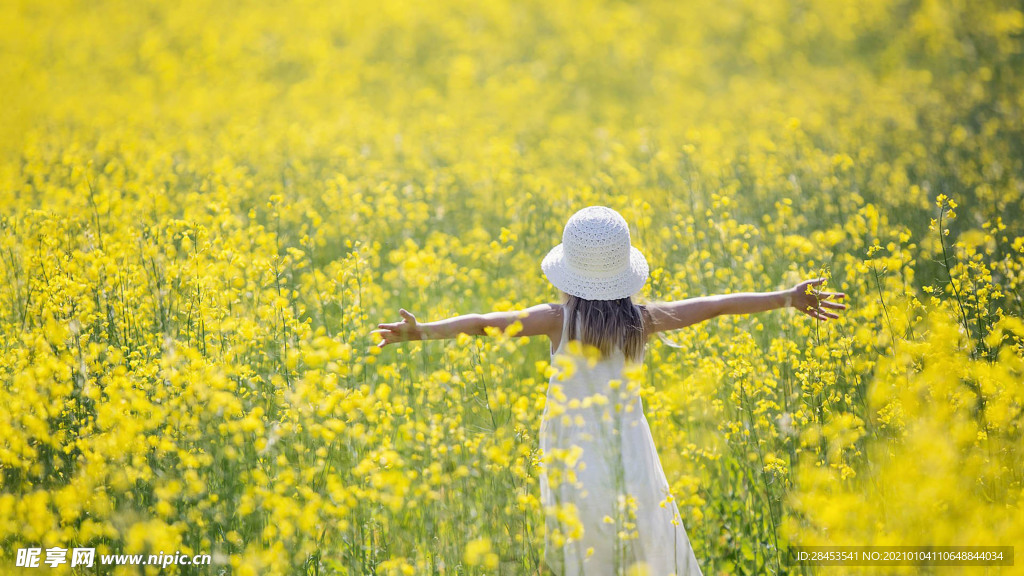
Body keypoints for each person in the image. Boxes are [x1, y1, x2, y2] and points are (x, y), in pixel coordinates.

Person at [372, 205, 846, 575]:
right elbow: (716, 305)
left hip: (572, 456)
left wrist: (423, 331)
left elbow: (481, 325)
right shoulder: (642, 320)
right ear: (623, 273)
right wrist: (788, 297)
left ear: (568, 274)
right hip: (630, 456)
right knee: (637, 547)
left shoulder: (557, 320)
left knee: (581, 552)